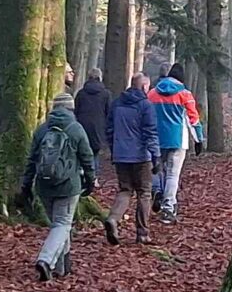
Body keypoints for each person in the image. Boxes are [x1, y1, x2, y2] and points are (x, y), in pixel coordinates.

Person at [24, 93, 112, 281]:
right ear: (71, 108)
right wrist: (90, 182)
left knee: (58, 225)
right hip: (68, 185)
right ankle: (45, 260)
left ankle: (62, 267)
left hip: (44, 185)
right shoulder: (76, 129)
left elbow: (32, 160)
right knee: (62, 224)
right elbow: (87, 158)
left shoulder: (41, 130)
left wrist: (26, 186)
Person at [107, 74, 158, 243]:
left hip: (121, 155)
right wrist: (156, 155)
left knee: (125, 190)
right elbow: (150, 132)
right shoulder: (145, 106)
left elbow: (109, 129)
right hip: (141, 156)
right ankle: (142, 233)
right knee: (144, 193)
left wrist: (114, 149)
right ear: (144, 87)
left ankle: (113, 218)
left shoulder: (117, 103)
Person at [149, 74, 202, 224]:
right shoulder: (184, 94)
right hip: (177, 139)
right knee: (173, 174)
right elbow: (193, 118)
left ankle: (157, 190)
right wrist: (198, 139)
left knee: (157, 169)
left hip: (157, 139)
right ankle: (168, 208)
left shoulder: (152, 94)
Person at [73, 71, 112, 158]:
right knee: (95, 155)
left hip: (82, 128)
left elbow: (75, 111)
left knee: (82, 154)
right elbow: (109, 113)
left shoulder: (81, 94)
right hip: (99, 129)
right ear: (100, 78)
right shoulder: (106, 94)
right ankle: (93, 170)